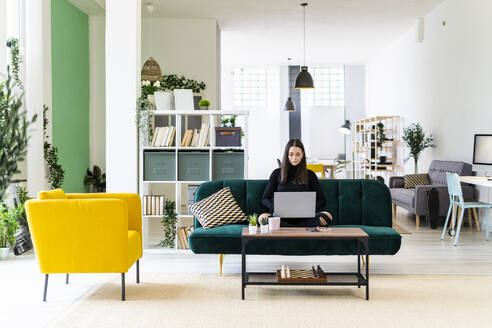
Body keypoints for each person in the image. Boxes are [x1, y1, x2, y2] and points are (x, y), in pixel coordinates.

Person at [260, 138, 333, 227]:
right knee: (262, 218)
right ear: (287, 155)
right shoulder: (277, 173)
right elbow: (265, 198)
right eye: (291, 154)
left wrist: (308, 208)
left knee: (327, 216)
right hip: (281, 217)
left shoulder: (310, 174)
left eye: (298, 154)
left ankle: (290, 228)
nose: (294, 158)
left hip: (305, 218)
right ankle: (300, 229)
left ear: (302, 155)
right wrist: (277, 208)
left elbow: (322, 200)